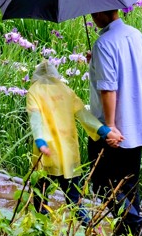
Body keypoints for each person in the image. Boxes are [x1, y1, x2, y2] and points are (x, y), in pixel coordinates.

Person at [26, 59, 124, 226]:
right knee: (75, 202)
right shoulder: (66, 90)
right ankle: (93, 231)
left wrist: (41, 141)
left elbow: (35, 120)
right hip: (68, 156)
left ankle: (42, 235)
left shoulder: (34, 91)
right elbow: (84, 116)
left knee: (39, 199)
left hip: (45, 156)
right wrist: (105, 131)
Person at [87, 9, 142, 236]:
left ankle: (137, 224)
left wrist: (110, 126)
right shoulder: (135, 35)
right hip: (137, 124)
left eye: (94, 13)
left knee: (101, 182)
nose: (92, 17)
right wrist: (95, 65)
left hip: (114, 128)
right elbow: (127, 69)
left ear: (103, 12)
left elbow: (108, 88)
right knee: (128, 186)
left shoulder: (104, 43)